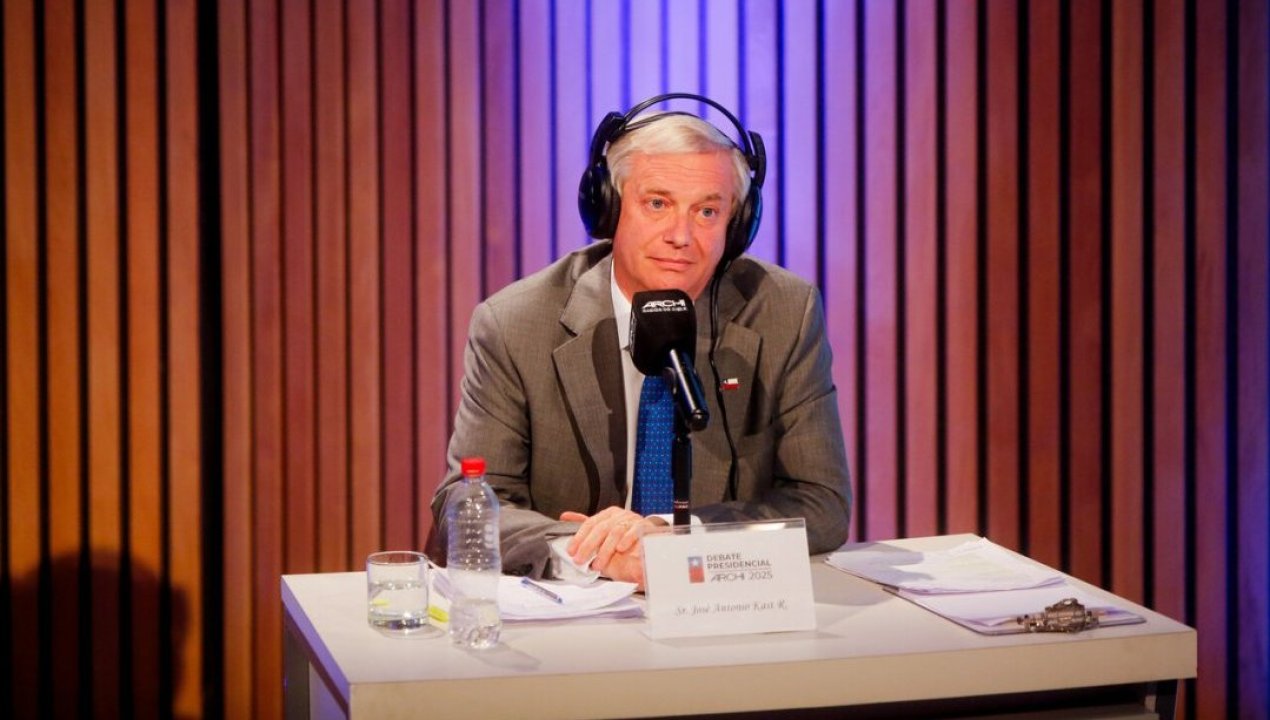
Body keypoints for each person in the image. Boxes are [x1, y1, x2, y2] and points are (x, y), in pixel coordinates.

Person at [428, 95, 851, 586]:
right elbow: (467, 506)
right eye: (657, 204)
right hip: (574, 609)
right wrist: (595, 553)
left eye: (707, 211)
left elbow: (822, 502)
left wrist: (672, 535)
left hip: (717, 600)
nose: (681, 236)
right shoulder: (515, 325)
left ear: (737, 224)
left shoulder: (783, 313)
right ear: (609, 209)